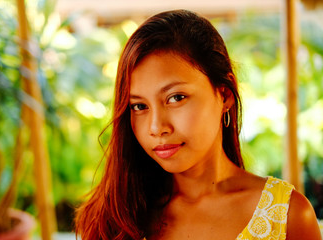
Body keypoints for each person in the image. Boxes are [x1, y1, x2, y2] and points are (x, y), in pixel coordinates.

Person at [75, 9, 321, 240]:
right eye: (139, 106)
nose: (156, 127)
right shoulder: (114, 219)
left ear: (223, 95)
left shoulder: (286, 217)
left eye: (175, 98)